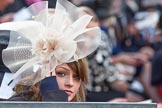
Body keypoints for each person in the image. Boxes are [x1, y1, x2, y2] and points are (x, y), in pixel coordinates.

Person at [0, 0, 101, 101]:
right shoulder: (19, 100)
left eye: (77, 77)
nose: (70, 83)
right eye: (61, 73)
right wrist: (52, 94)